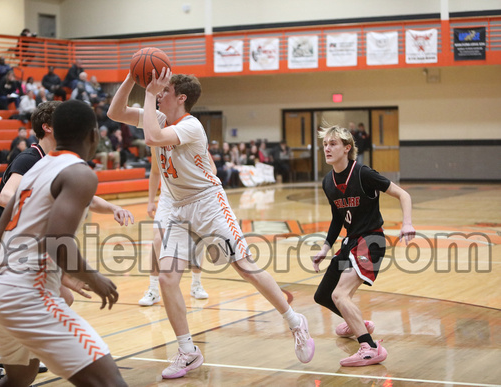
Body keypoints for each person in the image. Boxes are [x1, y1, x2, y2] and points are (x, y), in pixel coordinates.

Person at [108, 69, 315, 379]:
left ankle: (295, 321)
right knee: (166, 278)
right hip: (178, 208)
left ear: (181, 98)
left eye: (166, 90)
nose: (159, 92)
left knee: (244, 267)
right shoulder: (160, 118)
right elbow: (115, 112)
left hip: (208, 204)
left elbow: (151, 138)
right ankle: (188, 351)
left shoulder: (191, 126)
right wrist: (131, 78)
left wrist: (150, 93)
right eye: (159, 90)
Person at [0, 100, 134, 386]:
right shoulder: (80, 172)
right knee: (110, 382)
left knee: (20, 379)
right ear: (93, 135)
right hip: (27, 297)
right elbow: (57, 241)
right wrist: (94, 278)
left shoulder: (37, 167)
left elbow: (0, 231)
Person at [311, 125, 415, 367]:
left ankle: (370, 347)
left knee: (340, 294)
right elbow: (338, 218)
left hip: (371, 240)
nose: (327, 148)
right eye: (325, 144)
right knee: (323, 295)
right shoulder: (328, 181)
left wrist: (407, 223)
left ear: (347, 148)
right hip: (351, 241)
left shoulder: (362, 173)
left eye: (333, 144)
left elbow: (403, 195)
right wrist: (326, 248)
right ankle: (357, 322)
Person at [137, 143, 214, 306]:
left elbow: (212, 169)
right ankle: (153, 289)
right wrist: (150, 201)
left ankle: (196, 284)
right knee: (158, 240)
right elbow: (156, 171)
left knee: (196, 241)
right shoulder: (157, 142)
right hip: (167, 199)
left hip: (191, 197)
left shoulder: (192, 139)